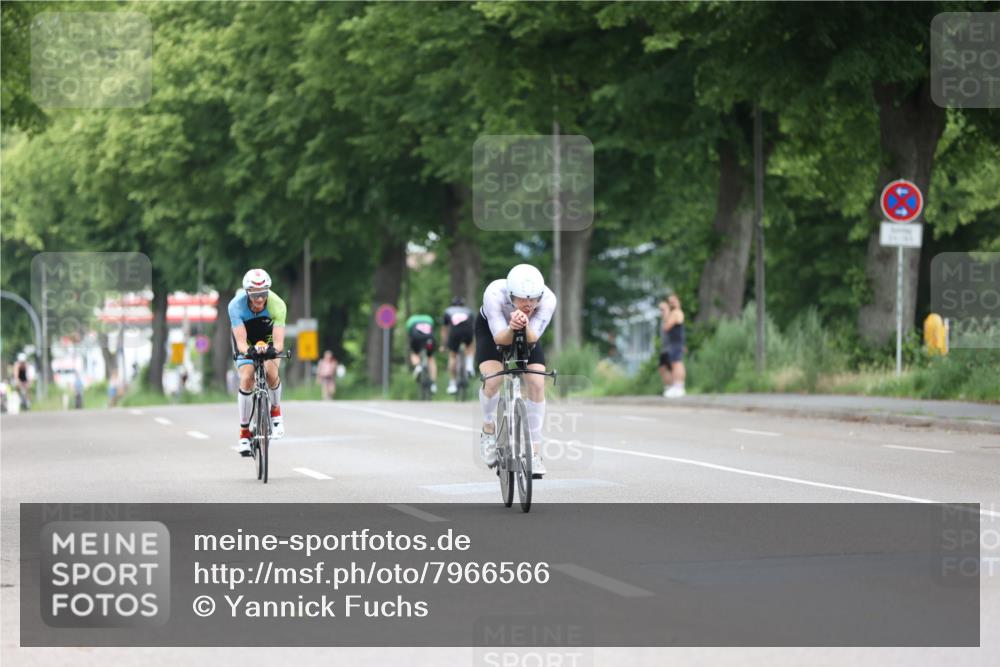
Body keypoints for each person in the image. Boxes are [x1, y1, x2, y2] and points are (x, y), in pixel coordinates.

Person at [477, 264, 556, 477]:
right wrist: (512, 327)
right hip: (494, 330)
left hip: (527, 331)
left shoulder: (548, 299)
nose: (529, 304)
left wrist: (523, 325)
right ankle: (488, 429)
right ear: (510, 295)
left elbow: (533, 339)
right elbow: (499, 339)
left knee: (537, 383)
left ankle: (535, 453)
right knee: (493, 380)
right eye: (522, 299)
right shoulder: (494, 293)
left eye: (533, 299)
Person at [229, 268, 287, 457]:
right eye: (255, 295)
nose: (260, 299)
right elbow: (240, 341)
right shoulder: (235, 307)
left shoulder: (277, 305)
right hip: (247, 342)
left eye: (263, 294)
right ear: (247, 293)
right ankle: (244, 433)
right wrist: (249, 351)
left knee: (271, 372)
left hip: (268, 339)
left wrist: (272, 350)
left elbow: (278, 343)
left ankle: (276, 412)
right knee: (246, 378)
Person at [441, 296, 475, 394]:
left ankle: (452, 384)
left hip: (455, 332)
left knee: (452, 356)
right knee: (470, 346)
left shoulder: (448, 311)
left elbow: (445, 330)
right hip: (467, 331)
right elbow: (472, 326)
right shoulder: (468, 311)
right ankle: (469, 365)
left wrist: (443, 344)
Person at [658, 294, 686, 398]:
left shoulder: (677, 313)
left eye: (673, 300)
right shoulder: (673, 313)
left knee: (677, 363)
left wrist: (667, 314)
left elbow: (666, 327)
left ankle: (679, 386)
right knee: (672, 365)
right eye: (670, 301)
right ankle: (673, 386)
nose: (671, 303)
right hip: (672, 343)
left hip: (676, 343)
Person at [405, 313, 438, 394]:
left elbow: (409, 334)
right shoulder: (429, 319)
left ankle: (418, 366)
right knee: (430, 358)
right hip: (429, 339)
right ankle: (433, 384)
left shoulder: (411, 321)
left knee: (414, 353)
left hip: (416, 338)